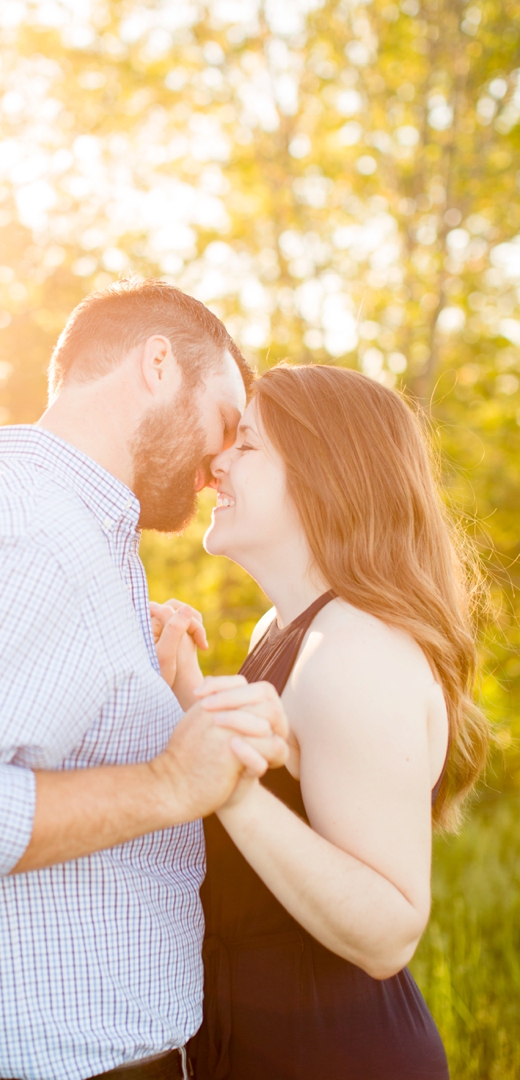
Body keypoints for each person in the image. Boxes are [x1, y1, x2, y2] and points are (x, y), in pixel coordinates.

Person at [0, 277, 291, 1080]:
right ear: (157, 365)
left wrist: (141, 682)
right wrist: (168, 784)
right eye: (224, 420)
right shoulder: (33, 536)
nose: (222, 464)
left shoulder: (69, 534)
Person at [150, 363, 487, 1078]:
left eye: (247, 443)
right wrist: (191, 698)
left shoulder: (356, 649)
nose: (217, 461)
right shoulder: (286, 628)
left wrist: (230, 789)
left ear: (322, 474)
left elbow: (389, 932)